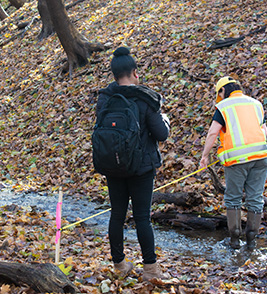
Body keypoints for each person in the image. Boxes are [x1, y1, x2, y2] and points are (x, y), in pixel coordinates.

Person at [96, 47, 170, 280]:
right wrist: (164, 118)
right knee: (141, 217)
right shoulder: (145, 98)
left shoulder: (105, 98)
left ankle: (119, 265)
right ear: (135, 72)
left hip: (113, 165)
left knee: (117, 214)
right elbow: (161, 133)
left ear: (115, 74)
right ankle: (150, 269)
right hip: (141, 168)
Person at [199, 76, 267, 249]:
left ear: (223, 90)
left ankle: (235, 241)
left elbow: (212, 133)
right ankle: (252, 241)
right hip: (261, 157)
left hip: (237, 160)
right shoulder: (255, 103)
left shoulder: (223, 106)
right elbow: (264, 129)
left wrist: (205, 156)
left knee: (233, 199)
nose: (220, 98)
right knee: (255, 199)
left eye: (219, 94)